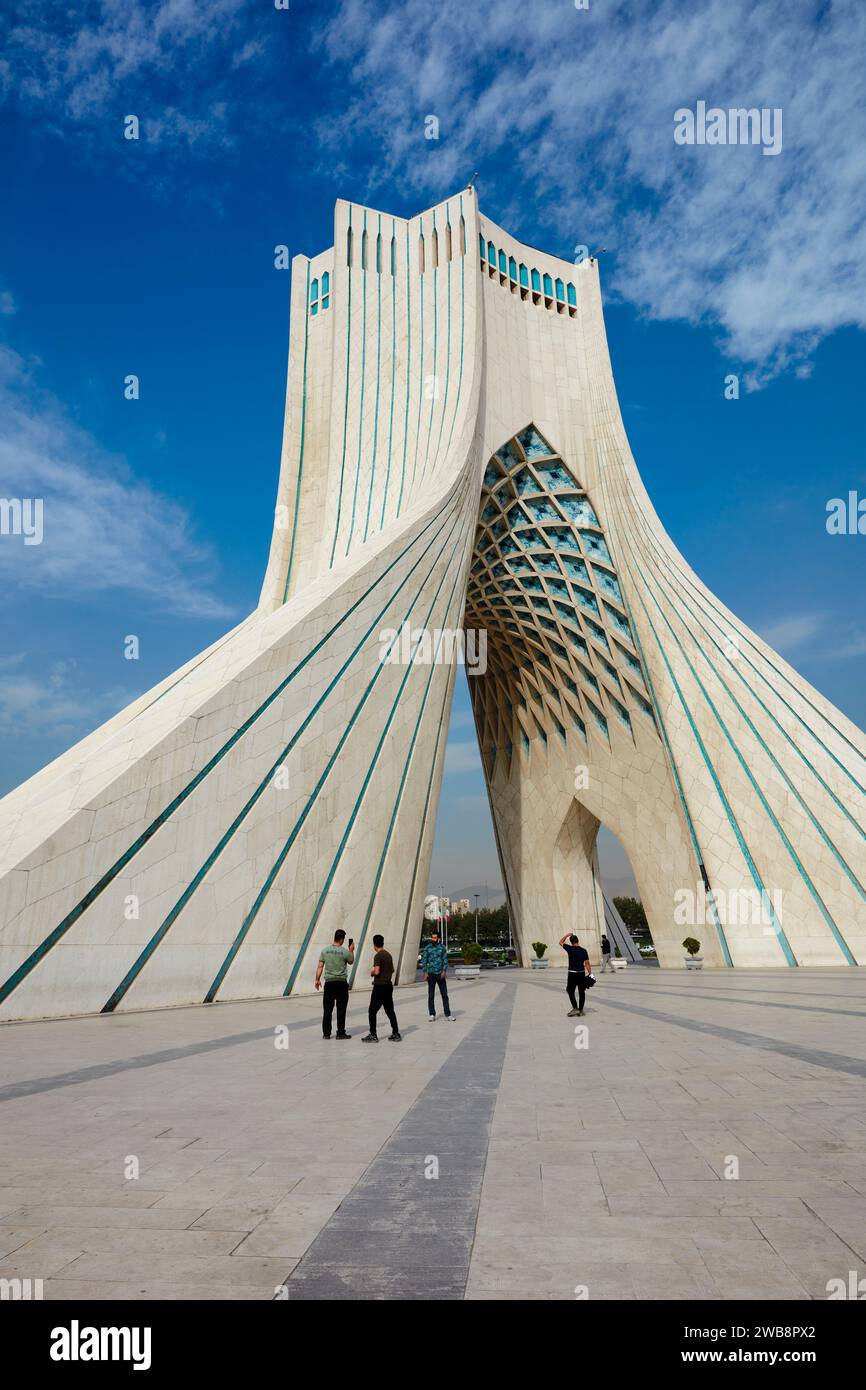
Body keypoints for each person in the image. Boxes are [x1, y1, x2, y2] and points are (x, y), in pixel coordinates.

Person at [362, 934, 402, 1042]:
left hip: (379, 987)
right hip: (388, 986)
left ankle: (373, 1035)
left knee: (372, 1011)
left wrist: (372, 973)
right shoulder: (388, 955)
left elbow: (376, 971)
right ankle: (396, 1033)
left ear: (374, 944)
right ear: (382, 943)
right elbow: (392, 970)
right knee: (390, 1011)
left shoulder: (378, 956)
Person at [315, 929, 354, 1039]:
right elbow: (351, 961)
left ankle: (326, 1033)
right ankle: (340, 1033)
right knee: (341, 1009)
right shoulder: (345, 952)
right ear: (341, 939)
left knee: (327, 1009)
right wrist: (351, 950)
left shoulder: (325, 951)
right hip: (341, 983)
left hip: (329, 983)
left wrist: (317, 979)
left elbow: (320, 966)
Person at [420, 930, 454, 1021]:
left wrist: (444, 971)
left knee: (445, 995)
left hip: (440, 974)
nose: (433, 939)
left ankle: (448, 1014)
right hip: (431, 974)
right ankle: (432, 1014)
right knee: (431, 995)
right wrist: (425, 972)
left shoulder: (442, 948)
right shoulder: (427, 948)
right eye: (432, 937)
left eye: (435, 937)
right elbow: (424, 961)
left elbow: (445, 960)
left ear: (438, 938)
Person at [559, 933, 591, 1016]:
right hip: (581, 973)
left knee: (570, 991)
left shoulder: (569, 948)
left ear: (571, 942)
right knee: (581, 992)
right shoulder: (583, 950)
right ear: (578, 941)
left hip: (572, 974)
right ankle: (580, 1010)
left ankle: (575, 1008)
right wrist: (590, 973)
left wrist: (567, 935)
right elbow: (587, 963)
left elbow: (560, 942)